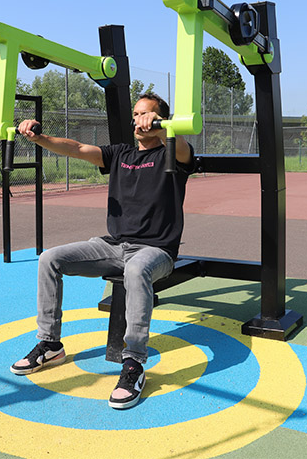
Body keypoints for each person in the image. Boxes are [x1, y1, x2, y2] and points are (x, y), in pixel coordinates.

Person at [10, 92, 194, 409]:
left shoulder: (171, 155)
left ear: (160, 119)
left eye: (146, 115)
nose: (140, 120)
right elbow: (77, 148)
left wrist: (164, 129)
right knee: (49, 259)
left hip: (156, 251)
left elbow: (184, 150)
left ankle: (134, 363)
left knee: (136, 270)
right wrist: (38, 137)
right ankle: (50, 343)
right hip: (113, 246)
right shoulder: (120, 154)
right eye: (136, 115)